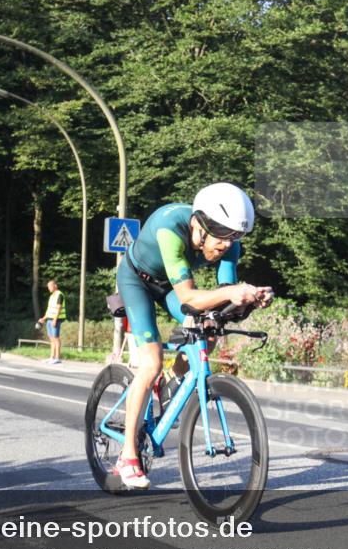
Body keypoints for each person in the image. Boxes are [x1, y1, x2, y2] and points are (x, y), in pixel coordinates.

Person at [114, 182, 273, 489]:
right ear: (201, 225)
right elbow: (188, 297)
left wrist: (252, 297)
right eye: (223, 236)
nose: (227, 245)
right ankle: (127, 456)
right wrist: (232, 291)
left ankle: (170, 383)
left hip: (169, 286)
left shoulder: (230, 243)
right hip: (138, 281)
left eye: (235, 237)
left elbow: (223, 299)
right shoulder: (169, 229)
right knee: (150, 364)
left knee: (210, 331)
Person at [38, 280, 66, 364]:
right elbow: (49, 309)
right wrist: (43, 318)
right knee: (51, 338)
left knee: (56, 338)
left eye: (50, 286)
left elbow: (59, 308)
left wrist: (55, 320)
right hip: (49, 319)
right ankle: (51, 357)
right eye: (48, 286)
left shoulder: (59, 295)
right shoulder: (51, 296)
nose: (49, 288)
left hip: (56, 319)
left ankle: (57, 358)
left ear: (55, 286)